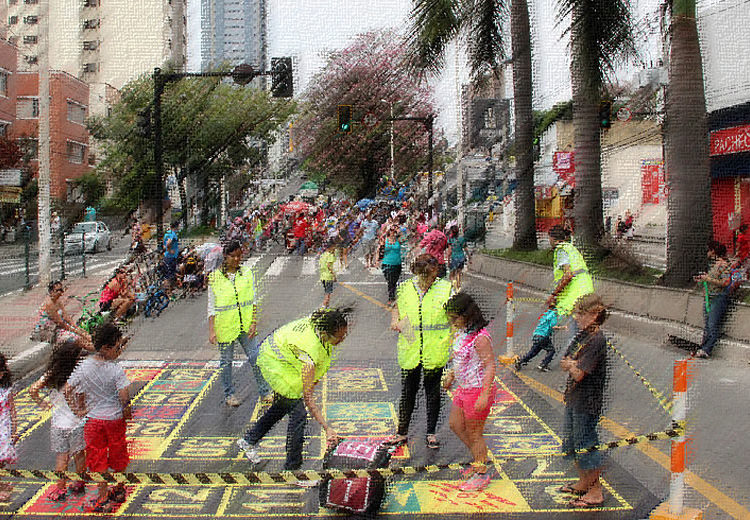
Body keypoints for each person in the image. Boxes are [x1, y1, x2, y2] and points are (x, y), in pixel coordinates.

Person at [237, 308, 350, 485]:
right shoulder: (310, 352)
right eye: (339, 337)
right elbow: (309, 399)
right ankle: (292, 471)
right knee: (298, 415)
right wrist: (326, 428)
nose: (343, 339)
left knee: (283, 405)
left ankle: (248, 440)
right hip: (274, 363)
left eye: (345, 335)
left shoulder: (321, 322)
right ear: (326, 333)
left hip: (283, 355)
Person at [386, 254, 452, 449]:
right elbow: (396, 307)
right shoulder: (405, 288)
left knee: (433, 393)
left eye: (435, 275)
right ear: (419, 274)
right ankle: (402, 432)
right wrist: (395, 320)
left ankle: (431, 432)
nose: (433, 280)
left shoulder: (446, 288)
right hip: (411, 347)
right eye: (429, 276)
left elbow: (455, 317)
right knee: (408, 392)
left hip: (435, 349)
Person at [64, 323, 132, 513]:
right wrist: (127, 412)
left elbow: (68, 390)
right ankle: (119, 489)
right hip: (115, 420)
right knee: (118, 454)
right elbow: (124, 396)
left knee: (97, 457)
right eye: (117, 347)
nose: (119, 351)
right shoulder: (115, 370)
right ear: (105, 348)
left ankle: (103, 497)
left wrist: (78, 410)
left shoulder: (83, 367)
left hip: (93, 421)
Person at [442, 293, 496, 492]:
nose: (452, 322)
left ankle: (481, 472)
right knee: (455, 424)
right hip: (463, 388)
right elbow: (460, 360)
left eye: (455, 318)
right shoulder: (462, 333)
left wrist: (484, 394)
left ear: (468, 314)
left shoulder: (480, 338)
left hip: (477, 389)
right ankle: (479, 457)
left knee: (475, 433)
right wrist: (451, 376)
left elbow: (490, 365)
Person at [559, 294, 609, 508]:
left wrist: (572, 365)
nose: (577, 317)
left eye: (581, 313)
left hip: (586, 400)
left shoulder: (597, 339)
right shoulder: (582, 335)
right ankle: (583, 482)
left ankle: (596, 491)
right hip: (573, 397)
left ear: (595, 314)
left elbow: (579, 373)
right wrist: (571, 364)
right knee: (572, 441)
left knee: (586, 444)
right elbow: (564, 361)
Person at [208, 241, 270, 407]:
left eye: (238, 256)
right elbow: (211, 307)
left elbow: (254, 300)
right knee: (226, 362)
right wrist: (212, 330)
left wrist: (254, 322)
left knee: (256, 357)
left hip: (246, 324)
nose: (236, 259)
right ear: (225, 257)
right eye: (232, 256)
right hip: (226, 326)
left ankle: (265, 391)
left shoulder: (247, 273)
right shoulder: (214, 277)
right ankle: (229, 394)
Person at [29, 338, 88, 501]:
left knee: (62, 457)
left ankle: (60, 488)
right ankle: (79, 481)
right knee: (79, 454)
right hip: (76, 423)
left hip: (58, 424)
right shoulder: (77, 376)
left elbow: (33, 389)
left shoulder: (51, 374)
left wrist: (43, 403)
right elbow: (82, 400)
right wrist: (83, 410)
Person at [540, 225, 594, 354]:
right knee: (582, 327)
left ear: (552, 238)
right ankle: (583, 355)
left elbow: (567, 275)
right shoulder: (571, 248)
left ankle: (573, 359)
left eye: (549, 238)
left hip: (576, 294)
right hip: (586, 288)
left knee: (574, 330)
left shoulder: (561, 250)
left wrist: (553, 294)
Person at [693, 241, 741, 359]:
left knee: (713, 324)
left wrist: (708, 279)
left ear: (713, 251)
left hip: (718, 298)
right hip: (709, 297)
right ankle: (703, 348)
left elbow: (725, 283)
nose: (707, 253)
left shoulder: (724, 265)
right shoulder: (714, 265)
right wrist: (702, 279)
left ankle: (707, 350)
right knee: (707, 325)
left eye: (709, 250)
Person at [33, 281, 93, 349]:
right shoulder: (49, 304)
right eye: (58, 290)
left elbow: (65, 316)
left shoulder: (58, 301)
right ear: (51, 291)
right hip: (49, 331)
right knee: (78, 338)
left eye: (61, 290)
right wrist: (77, 331)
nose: (61, 292)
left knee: (84, 334)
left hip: (57, 327)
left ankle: (93, 348)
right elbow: (60, 323)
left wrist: (75, 326)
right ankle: (96, 351)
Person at [0, 353, 17, 503]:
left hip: (3, 430)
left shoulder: (5, 390)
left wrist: (15, 429)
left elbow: (12, 410)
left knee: (2, 459)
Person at [381, 226, 403, 306]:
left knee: (394, 281)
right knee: (390, 281)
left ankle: (392, 295)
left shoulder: (398, 240)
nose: (393, 232)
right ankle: (391, 297)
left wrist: (398, 230)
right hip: (387, 264)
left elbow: (405, 236)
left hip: (397, 263)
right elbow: (379, 249)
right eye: (391, 231)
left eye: (394, 231)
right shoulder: (384, 240)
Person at [447, 225, 467, 292]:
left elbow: (449, 251)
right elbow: (465, 249)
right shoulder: (462, 239)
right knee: (458, 273)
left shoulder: (450, 239)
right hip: (461, 258)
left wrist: (448, 260)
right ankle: (458, 287)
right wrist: (469, 257)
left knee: (452, 274)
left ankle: (453, 285)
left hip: (454, 258)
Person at [319, 241, 337, 308]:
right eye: (334, 247)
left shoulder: (323, 255)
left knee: (327, 291)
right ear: (331, 247)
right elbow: (329, 266)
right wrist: (334, 276)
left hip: (322, 277)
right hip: (328, 277)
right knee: (328, 293)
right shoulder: (330, 255)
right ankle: (323, 306)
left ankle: (327, 306)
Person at [162, 222, 180, 286]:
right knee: (169, 275)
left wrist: (166, 249)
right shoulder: (172, 234)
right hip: (171, 257)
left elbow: (164, 243)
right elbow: (168, 243)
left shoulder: (167, 233)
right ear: (176, 227)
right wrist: (169, 250)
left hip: (167, 256)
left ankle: (168, 290)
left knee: (167, 274)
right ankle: (168, 291)